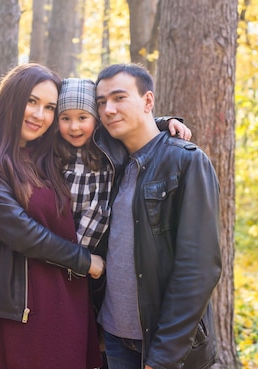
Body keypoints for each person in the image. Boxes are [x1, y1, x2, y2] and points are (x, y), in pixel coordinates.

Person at [0, 63, 104, 369]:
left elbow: (102, 129)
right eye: (31, 101)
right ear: (11, 98)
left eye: (49, 107)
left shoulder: (48, 156)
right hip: (21, 303)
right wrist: (85, 261)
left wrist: (162, 124)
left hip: (70, 294)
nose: (39, 115)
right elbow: (19, 230)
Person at [53, 78, 192, 369]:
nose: (74, 127)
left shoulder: (111, 151)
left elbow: (135, 126)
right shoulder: (51, 155)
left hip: (94, 274)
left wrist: (165, 122)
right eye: (65, 118)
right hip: (65, 269)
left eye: (83, 117)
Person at [93, 64, 222, 369]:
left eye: (119, 98)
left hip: (165, 348)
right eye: (101, 102)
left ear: (148, 101)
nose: (108, 109)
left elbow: (198, 268)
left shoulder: (186, 161)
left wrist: (163, 357)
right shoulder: (110, 161)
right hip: (113, 336)